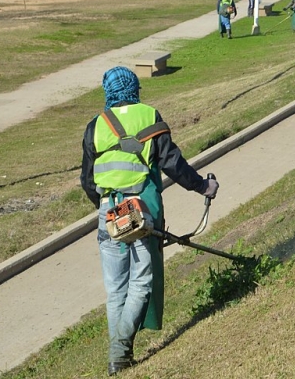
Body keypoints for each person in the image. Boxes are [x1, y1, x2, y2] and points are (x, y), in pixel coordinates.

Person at [80, 66, 219, 375]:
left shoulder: (95, 125)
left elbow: (87, 180)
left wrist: (106, 209)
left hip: (109, 214)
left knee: (116, 288)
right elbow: (172, 163)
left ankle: (118, 355)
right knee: (141, 281)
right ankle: (120, 351)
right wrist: (203, 186)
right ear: (135, 88)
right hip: (141, 212)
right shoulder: (149, 116)